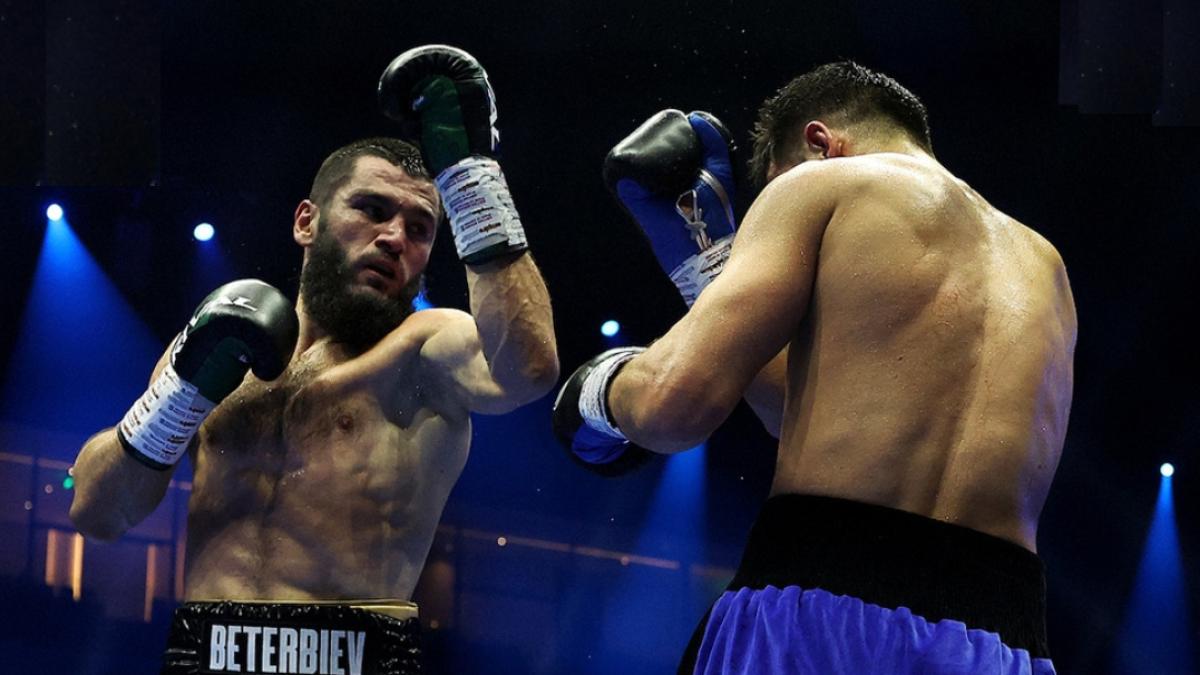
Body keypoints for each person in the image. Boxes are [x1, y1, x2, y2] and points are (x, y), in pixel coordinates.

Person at [554, 61, 1075, 674]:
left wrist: (598, 393)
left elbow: (674, 406)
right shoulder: (1046, 265)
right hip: (1000, 642)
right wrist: (712, 267)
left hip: (820, 604)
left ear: (820, 143)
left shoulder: (823, 184)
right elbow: (793, 411)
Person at [69, 45, 558, 674]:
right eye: (373, 210)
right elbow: (97, 513)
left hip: (353, 658)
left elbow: (529, 368)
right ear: (308, 221)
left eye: (420, 228)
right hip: (204, 654)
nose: (394, 238)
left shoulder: (427, 351)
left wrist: (470, 176)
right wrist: (177, 398)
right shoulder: (225, 350)